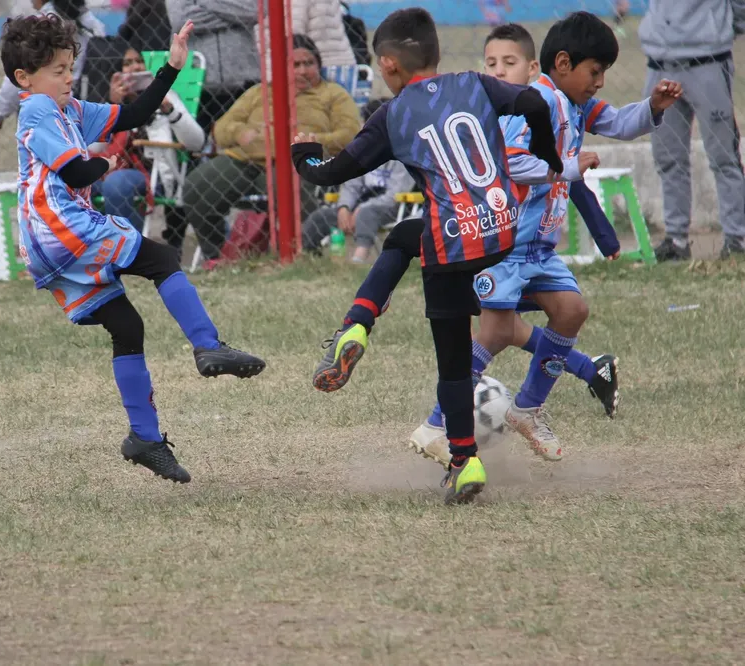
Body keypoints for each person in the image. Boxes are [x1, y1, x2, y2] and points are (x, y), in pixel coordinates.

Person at [292, 8, 564, 504]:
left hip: (451, 245)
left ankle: (463, 459)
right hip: (501, 230)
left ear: (390, 65)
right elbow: (534, 103)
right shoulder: (476, 84)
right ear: (436, 52)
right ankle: (360, 321)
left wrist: (302, 155)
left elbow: (332, 173)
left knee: (454, 365)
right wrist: (550, 159)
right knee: (403, 237)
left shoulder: (393, 115)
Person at [1, 14, 265, 484]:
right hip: (61, 227)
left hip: (45, 243)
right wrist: (103, 159)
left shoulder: (69, 110)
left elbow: (135, 114)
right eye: (57, 70)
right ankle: (208, 347)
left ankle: (144, 438)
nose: (67, 77)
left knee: (127, 326)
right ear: (24, 78)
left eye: (68, 67)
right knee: (163, 258)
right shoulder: (37, 110)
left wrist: (171, 69)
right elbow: (77, 174)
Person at [410, 22, 626, 466]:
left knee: (568, 311)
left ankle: (529, 408)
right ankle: (436, 422)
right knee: (495, 332)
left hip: (536, 251)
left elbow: (574, 178)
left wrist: (604, 235)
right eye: (491, 64)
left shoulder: (555, 108)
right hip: (498, 244)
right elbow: (519, 169)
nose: (499, 71)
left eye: (508, 63)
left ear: (531, 67)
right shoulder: (512, 116)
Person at [183, 35, 362, 268]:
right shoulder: (260, 92)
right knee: (199, 185)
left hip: (295, 161)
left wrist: (310, 141)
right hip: (246, 160)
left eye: (308, 63)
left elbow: (349, 133)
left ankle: (302, 254)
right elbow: (222, 128)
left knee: (293, 183)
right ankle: (217, 256)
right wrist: (239, 133)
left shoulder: (332, 94)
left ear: (319, 65)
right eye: (294, 65)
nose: (302, 71)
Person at [639, 0, 745, 261]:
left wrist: (719, 30)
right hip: (660, 63)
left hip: (708, 61)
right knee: (668, 158)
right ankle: (676, 240)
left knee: (723, 157)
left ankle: (736, 239)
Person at [90, 47, 206, 233]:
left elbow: (197, 142)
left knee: (116, 183)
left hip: (155, 174)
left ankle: (130, 250)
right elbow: (95, 148)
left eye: (139, 61)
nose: (135, 67)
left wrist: (170, 111)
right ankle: (91, 247)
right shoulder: (110, 102)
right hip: (111, 167)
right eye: (127, 64)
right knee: (72, 179)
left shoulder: (165, 95)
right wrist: (112, 106)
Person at [300, 100, 415, 261]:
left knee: (367, 214)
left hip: (392, 206)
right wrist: (344, 207)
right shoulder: (364, 150)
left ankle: (359, 258)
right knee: (321, 216)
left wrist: (362, 208)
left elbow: (396, 193)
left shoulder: (404, 153)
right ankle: (308, 255)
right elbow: (351, 185)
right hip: (358, 204)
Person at [0, 0, 106, 138]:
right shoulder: (92, 24)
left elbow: (15, 79)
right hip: (84, 104)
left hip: (46, 110)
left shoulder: (40, 29)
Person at [165, 0, 260, 135]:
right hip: (196, 84)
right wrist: (232, 16)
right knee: (197, 149)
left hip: (245, 80)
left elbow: (254, 10)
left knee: (245, 146)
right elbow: (181, 19)